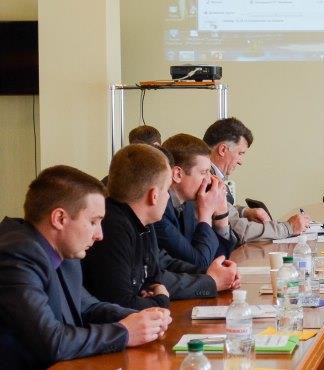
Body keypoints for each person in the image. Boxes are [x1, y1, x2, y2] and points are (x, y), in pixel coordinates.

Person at [0, 165, 172, 369]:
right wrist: (125, 332)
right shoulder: (16, 255)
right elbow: (52, 342)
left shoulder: (64, 250)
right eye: (93, 222)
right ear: (60, 219)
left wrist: (140, 319)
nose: (100, 235)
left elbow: (88, 307)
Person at [82, 144, 241, 310]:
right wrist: (161, 300)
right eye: (166, 190)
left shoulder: (143, 222)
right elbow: (123, 303)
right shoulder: (112, 229)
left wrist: (211, 273)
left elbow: (157, 272)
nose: (168, 198)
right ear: (154, 196)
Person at [203, 117, 309, 242]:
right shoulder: (207, 180)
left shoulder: (210, 174)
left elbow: (223, 209)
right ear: (223, 150)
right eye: (240, 153)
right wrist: (288, 228)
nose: (241, 162)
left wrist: (244, 212)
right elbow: (239, 230)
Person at [154, 134, 238, 269]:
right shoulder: (158, 213)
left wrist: (221, 216)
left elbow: (218, 260)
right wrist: (206, 215)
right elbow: (199, 265)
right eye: (204, 172)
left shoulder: (187, 205)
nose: (210, 180)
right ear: (177, 174)